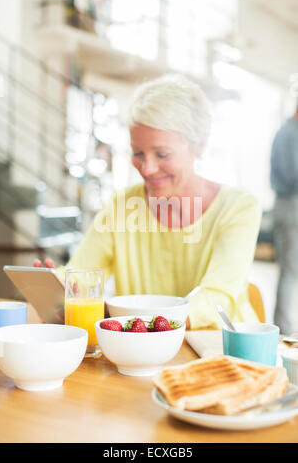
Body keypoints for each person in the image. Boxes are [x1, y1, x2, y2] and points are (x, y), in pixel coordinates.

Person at [34, 74, 261, 330]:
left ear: (199, 145)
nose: (148, 168)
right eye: (137, 153)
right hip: (141, 353)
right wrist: (56, 287)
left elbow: (217, 296)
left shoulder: (239, 208)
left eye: (162, 154)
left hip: (224, 351)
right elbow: (82, 275)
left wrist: (140, 322)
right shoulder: (122, 205)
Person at [270, 101, 298, 334]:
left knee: (291, 269)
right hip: (291, 207)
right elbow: (292, 175)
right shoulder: (290, 134)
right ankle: (284, 332)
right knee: (290, 270)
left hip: (289, 205)